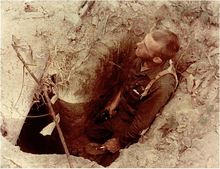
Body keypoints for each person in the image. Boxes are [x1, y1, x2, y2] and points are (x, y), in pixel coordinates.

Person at [86, 29, 180, 158]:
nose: (138, 44)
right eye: (143, 40)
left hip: (130, 123)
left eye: (145, 46)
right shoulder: (141, 58)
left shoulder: (162, 86)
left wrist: (120, 142)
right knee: (91, 132)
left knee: (114, 157)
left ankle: (108, 153)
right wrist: (114, 104)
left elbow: (141, 123)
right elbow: (126, 83)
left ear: (157, 59)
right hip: (120, 111)